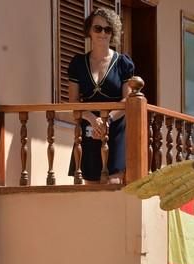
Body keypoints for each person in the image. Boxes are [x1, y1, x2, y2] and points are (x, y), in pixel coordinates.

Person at [67, 8, 135, 184]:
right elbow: (73, 101)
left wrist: (106, 121)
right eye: (98, 28)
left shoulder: (123, 63)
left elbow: (127, 100)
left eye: (108, 29)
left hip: (115, 127)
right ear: (89, 30)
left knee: (113, 183)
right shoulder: (77, 64)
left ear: (113, 33)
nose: (102, 33)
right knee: (90, 183)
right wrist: (91, 119)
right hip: (88, 127)